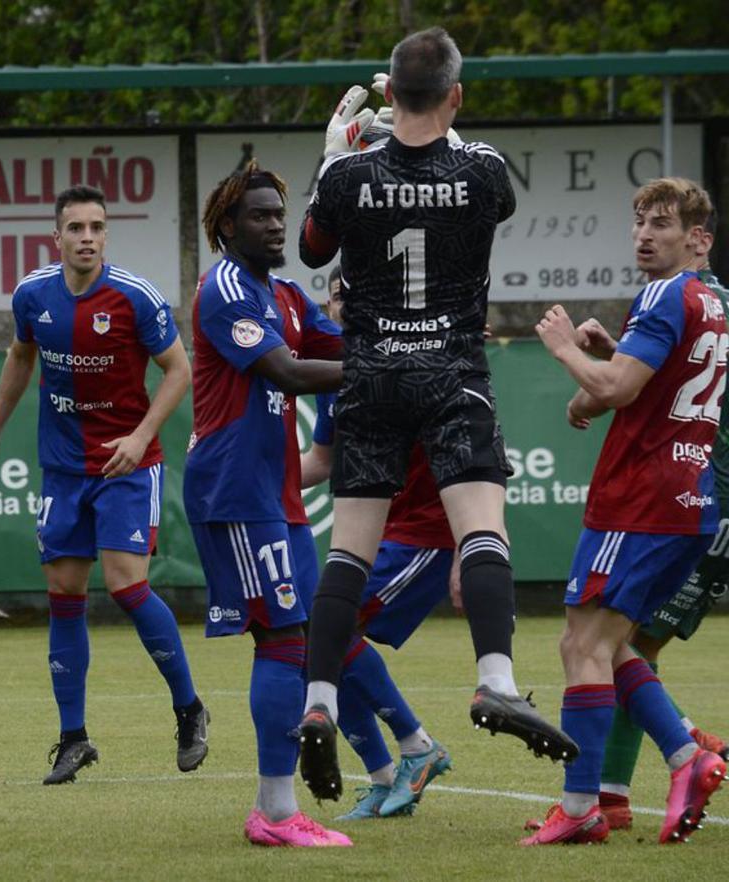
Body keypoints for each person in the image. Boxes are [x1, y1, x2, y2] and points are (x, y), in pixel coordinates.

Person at [297, 26, 573, 805]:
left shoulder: (348, 174)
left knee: (347, 553)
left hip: (373, 376)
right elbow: (488, 191)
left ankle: (318, 701)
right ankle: (495, 681)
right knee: (483, 530)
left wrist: (336, 153)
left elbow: (314, 249)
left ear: (388, 92)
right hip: (453, 371)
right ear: (455, 95)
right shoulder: (481, 167)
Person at [0, 186, 206, 785]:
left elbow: (180, 370)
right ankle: (74, 738)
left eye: (97, 226)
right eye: (77, 228)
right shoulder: (32, 294)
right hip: (64, 468)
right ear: (58, 236)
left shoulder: (134, 296)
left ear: (106, 234)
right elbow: (21, 357)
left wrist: (140, 433)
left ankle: (189, 709)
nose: (88, 237)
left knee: (126, 586)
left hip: (128, 464)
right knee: (64, 592)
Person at [524, 177, 727, 845]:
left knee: (582, 644)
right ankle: (681, 756)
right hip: (689, 497)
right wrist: (605, 361)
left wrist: (563, 348)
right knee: (610, 647)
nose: (644, 234)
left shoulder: (667, 293)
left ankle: (582, 806)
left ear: (697, 239)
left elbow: (612, 390)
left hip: (641, 497)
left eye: (661, 224)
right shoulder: (710, 302)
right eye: (639, 221)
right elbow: (641, 384)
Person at [187, 159, 349, 847]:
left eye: (280, 214)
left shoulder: (281, 293)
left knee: (301, 639)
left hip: (272, 489)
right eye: (259, 215)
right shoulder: (225, 287)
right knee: (283, 640)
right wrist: (386, 369)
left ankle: (278, 805)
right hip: (237, 489)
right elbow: (287, 370)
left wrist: (412, 344)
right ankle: (276, 815)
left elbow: (340, 346)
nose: (276, 224)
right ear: (227, 226)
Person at [301, 266, 453, 821]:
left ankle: (416, 746)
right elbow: (319, 461)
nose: (348, 306)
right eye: (342, 296)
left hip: (426, 535)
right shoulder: (338, 375)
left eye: (363, 296)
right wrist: (249, 479)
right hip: (380, 535)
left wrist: (475, 544)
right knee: (319, 648)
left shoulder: (415, 360)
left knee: (327, 634)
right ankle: (389, 777)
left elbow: (473, 459)